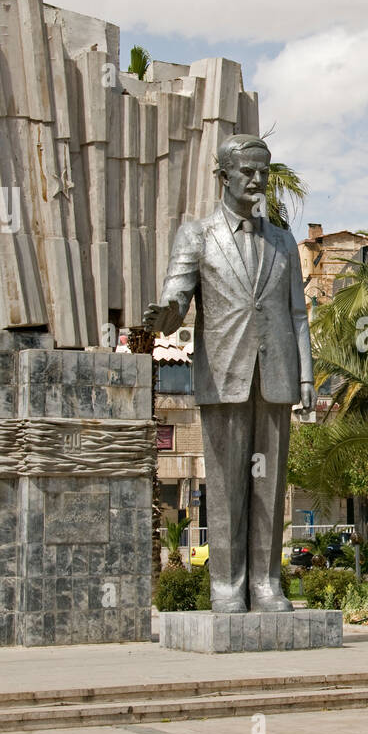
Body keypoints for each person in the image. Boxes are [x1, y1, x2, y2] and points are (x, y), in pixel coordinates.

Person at [143, 134, 315, 613]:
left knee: (269, 487)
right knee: (224, 487)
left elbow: (298, 315)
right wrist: (166, 315)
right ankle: (226, 585)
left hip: (276, 374)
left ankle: (266, 583)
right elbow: (177, 297)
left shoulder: (282, 241)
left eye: (264, 171)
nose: (258, 180)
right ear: (223, 175)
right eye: (248, 172)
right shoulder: (196, 235)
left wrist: (306, 376)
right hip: (223, 376)